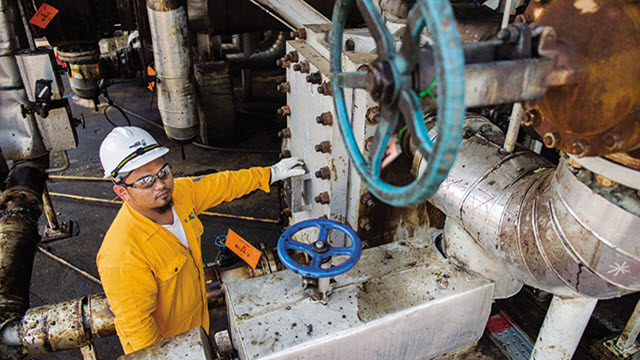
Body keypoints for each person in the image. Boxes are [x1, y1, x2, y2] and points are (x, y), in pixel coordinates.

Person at [96, 126, 305, 353]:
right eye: (146, 181)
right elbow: (139, 332)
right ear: (122, 192)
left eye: (163, 171)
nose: (161, 184)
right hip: (174, 348)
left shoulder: (180, 195)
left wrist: (270, 174)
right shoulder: (121, 255)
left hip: (200, 326)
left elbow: (223, 184)